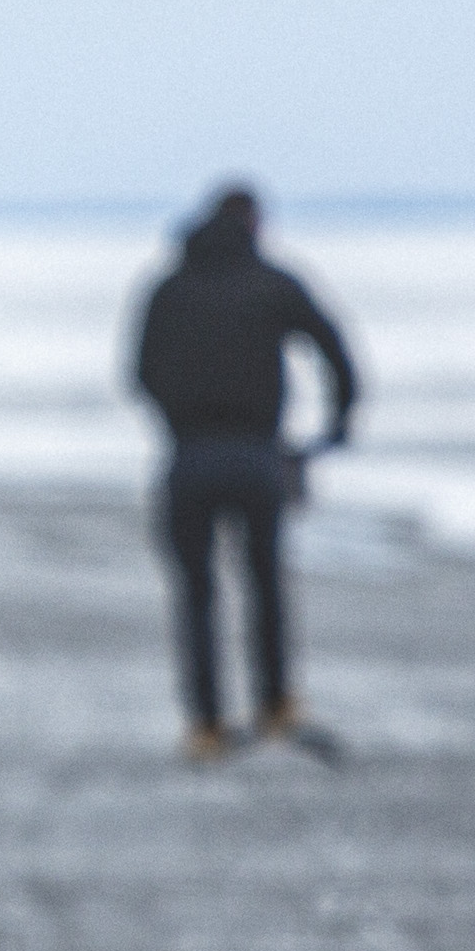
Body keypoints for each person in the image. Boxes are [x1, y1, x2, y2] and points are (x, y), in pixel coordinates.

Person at [127, 184, 357, 760]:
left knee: (196, 592)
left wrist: (178, 419)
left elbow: (140, 372)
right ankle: (275, 704)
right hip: (259, 456)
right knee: (265, 585)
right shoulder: (271, 282)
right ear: (254, 223)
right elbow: (335, 350)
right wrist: (335, 426)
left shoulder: (168, 288)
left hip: (188, 456)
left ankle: (205, 723)